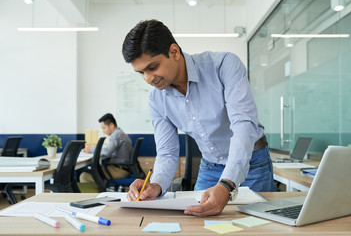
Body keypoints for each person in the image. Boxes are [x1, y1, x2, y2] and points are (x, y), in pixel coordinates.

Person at [122, 19, 274, 217]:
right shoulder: (156, 99)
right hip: (210, 166)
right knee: (195, 223)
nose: (148, 79)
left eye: (153, 67)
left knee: (256, 227)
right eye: (141, 72)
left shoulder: (224, 65)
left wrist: (227, 183)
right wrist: (156, 185)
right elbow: (167, 152)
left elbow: (243, 125)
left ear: (174, 52)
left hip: (252, 162)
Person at [80, 113, 132, 183]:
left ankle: (99, 192)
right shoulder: (120, 133)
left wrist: (91, 149)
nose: (103, 131)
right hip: (122, 168)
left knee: (84, 176)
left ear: (111, 125)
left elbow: (107, 152)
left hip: (119, 170)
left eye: (104, 128)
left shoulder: (116, 135)